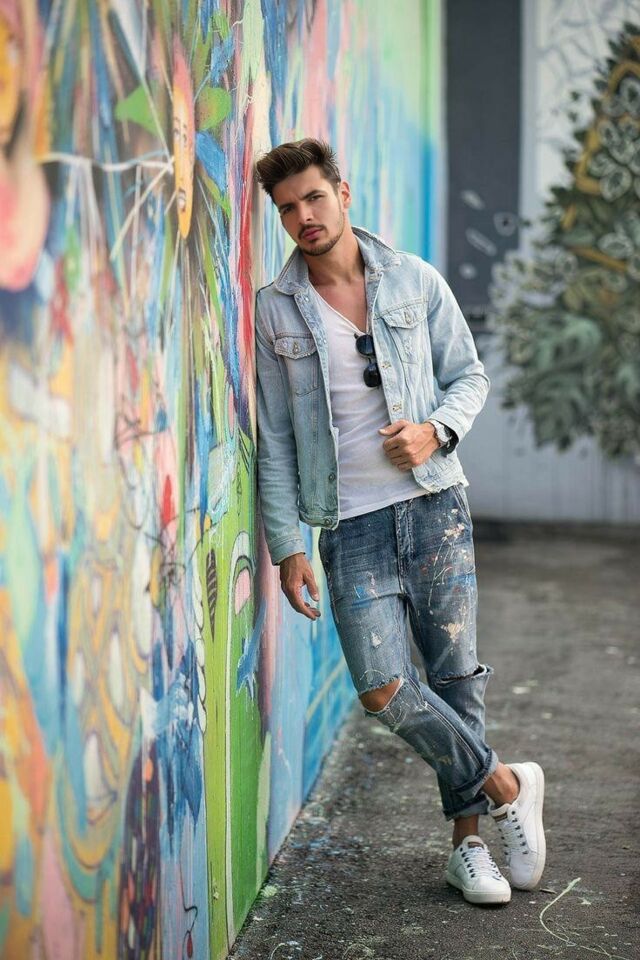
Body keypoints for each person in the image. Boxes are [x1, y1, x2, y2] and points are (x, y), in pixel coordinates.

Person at [253, 138, 545, 906]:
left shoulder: (413, 278)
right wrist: (287, 545)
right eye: (287, 208)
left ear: (343, 194)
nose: (304, 216)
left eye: (314, 197)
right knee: (384, 688)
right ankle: (507, 784)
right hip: (349, 526)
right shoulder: (275, 308)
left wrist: (435, 431)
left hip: (433, 504)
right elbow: (275, 438)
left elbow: (469, 376)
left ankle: (468, 847)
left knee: (455, 676)